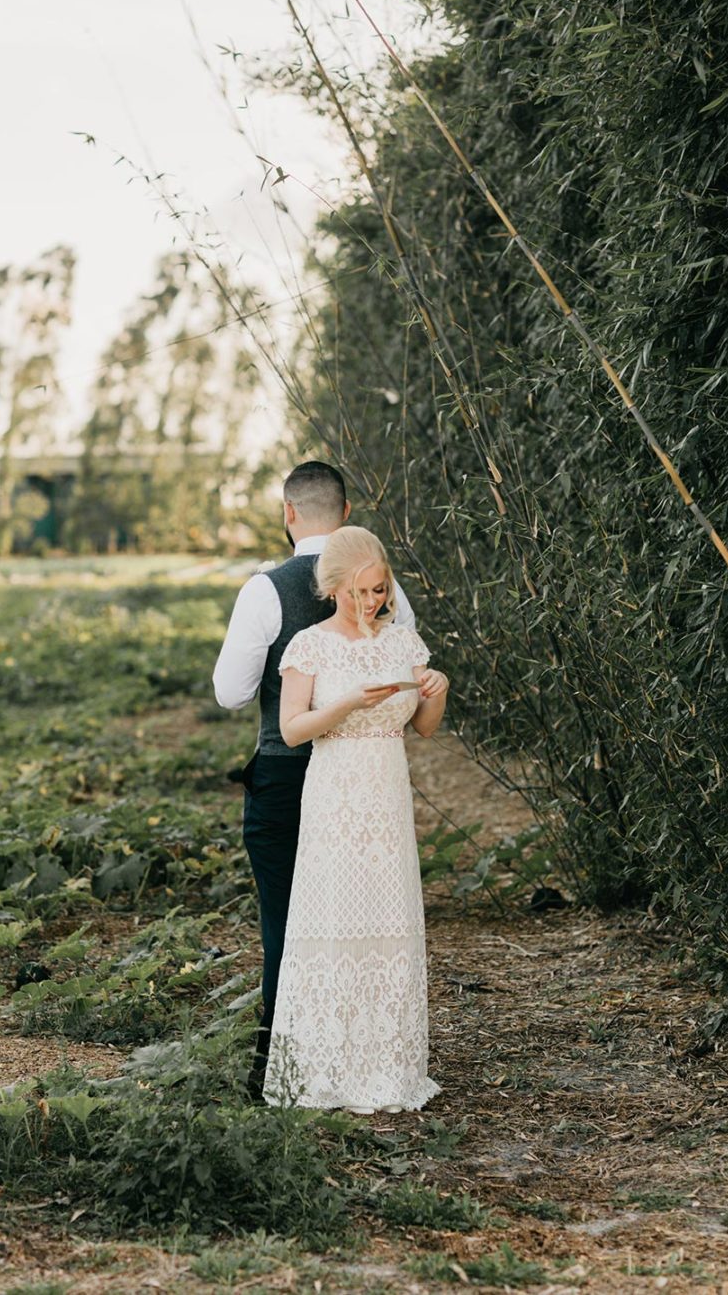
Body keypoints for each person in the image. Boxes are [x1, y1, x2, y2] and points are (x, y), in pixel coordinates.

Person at [212, 463, 417, 1093]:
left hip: (284, 770)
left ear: (288, 513)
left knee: (288, 922)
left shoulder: (264, 590)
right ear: (347, 509)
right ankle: (363, 1053)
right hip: (367, 783)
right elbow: (403, 671)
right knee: (363, 918)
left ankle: (282, 1066)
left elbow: (230, 692)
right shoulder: (386, 589)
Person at [263, 525, 448, 1113]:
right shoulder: (310, 646)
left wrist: (436, 690)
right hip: (335, 795)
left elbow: (422, 726)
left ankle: (388, 1068)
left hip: (387, 795)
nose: (372, 602)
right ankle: (325, 1071)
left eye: (380, 590)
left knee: (389, 917)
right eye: (362, 591)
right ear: (335, 586)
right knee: (335, 918)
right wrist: (345, 703)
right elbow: (292, 729)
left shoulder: (402, 642)